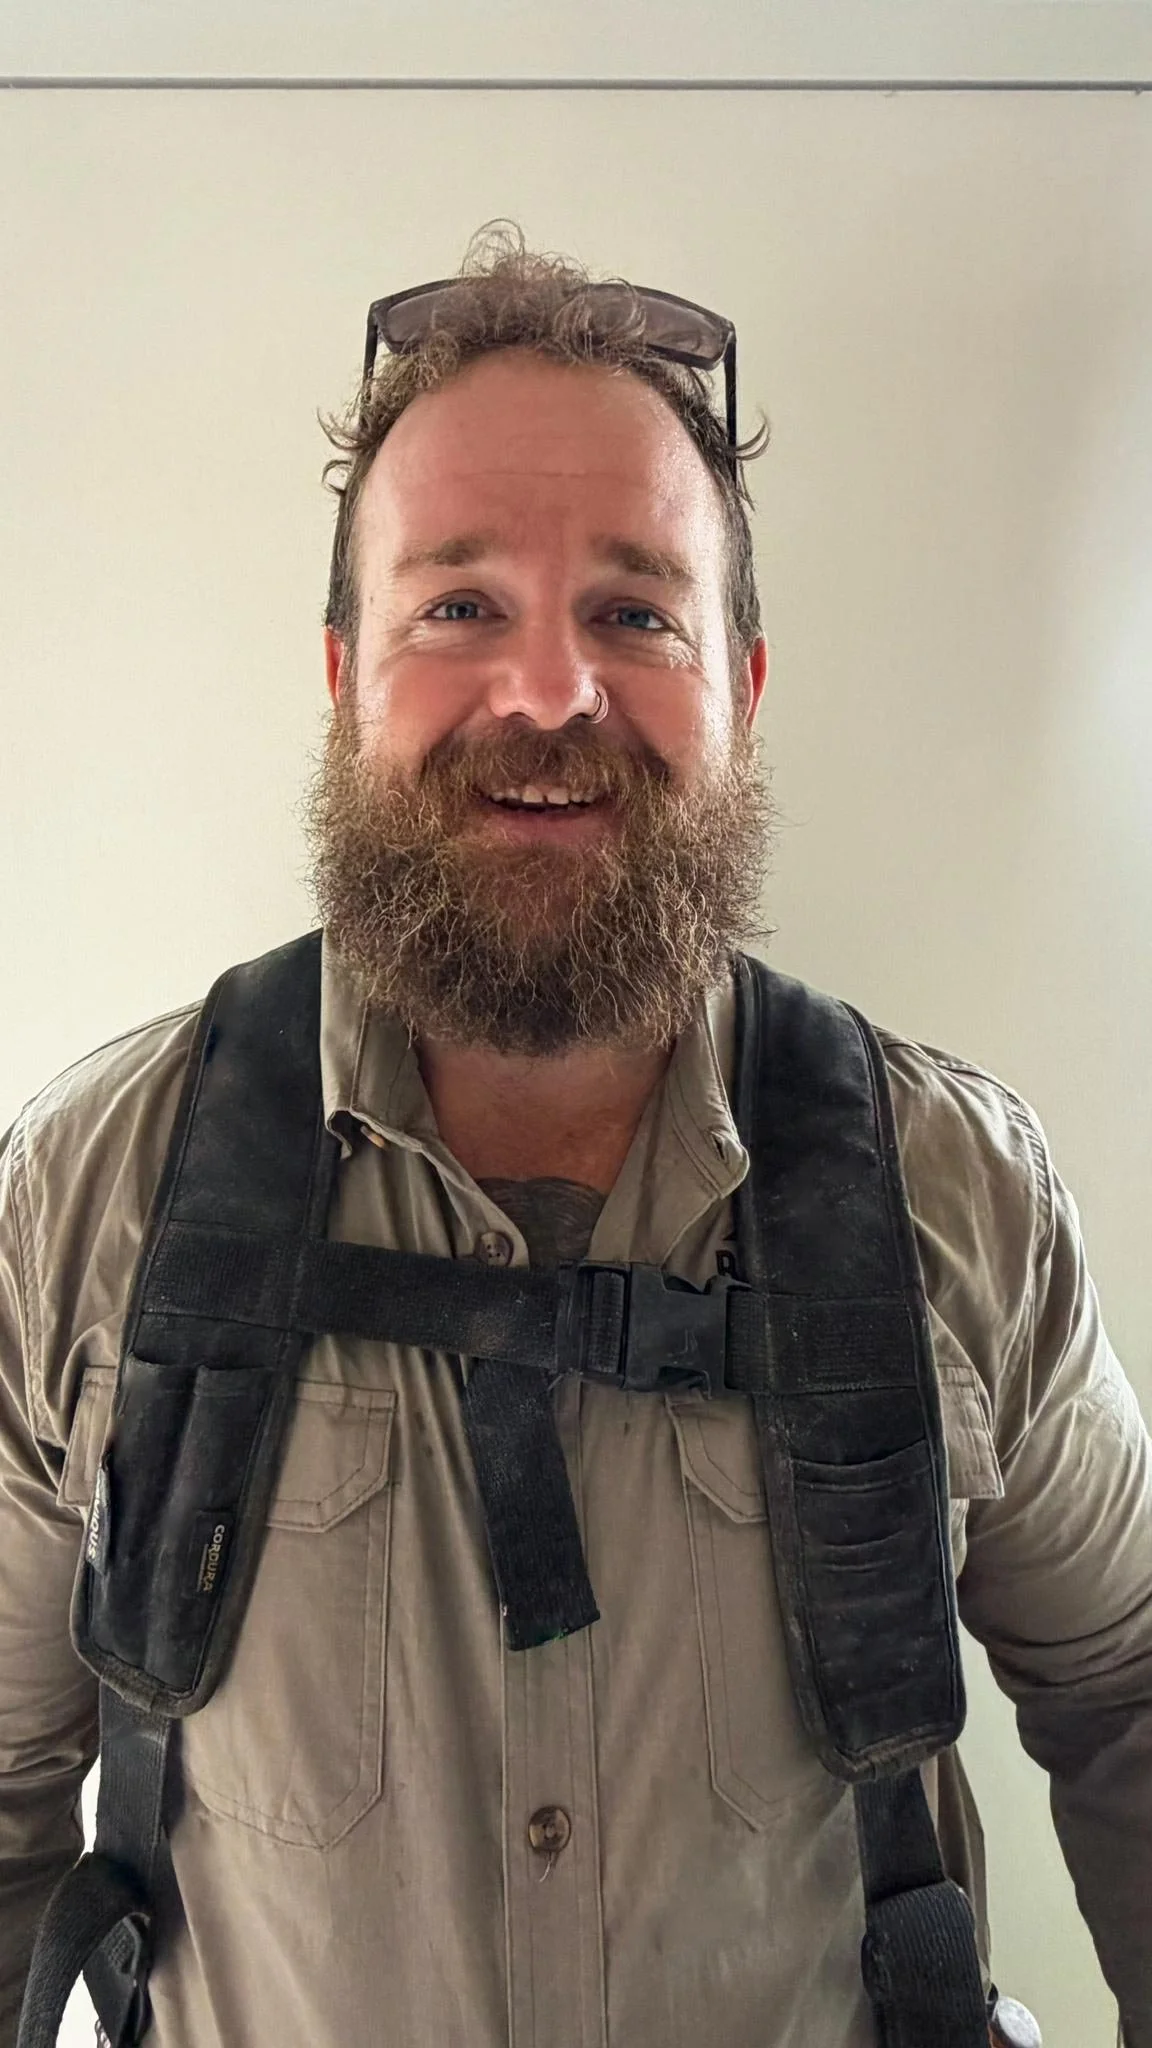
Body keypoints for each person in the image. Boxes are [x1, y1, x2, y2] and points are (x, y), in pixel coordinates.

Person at [1, 220, 1149, 2048]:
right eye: (460, 606)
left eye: (634, 611)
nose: (550, 696)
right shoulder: (92, 1200)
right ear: (343, 675)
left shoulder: (961, 1201)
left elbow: (1134, 1699)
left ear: (743, 692)